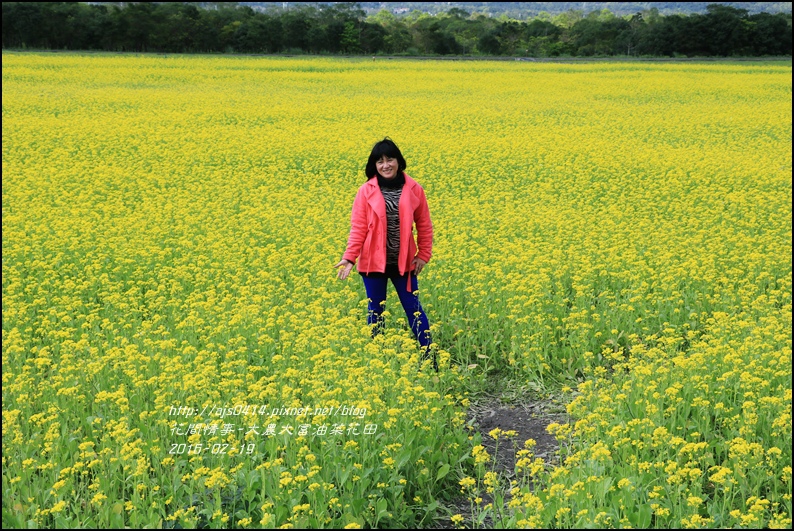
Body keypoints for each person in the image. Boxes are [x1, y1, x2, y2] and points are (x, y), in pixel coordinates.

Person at [334, 138, 437, 371]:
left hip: (405, 263)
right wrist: (350, 257)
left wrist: (424, 255)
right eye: (380, 161)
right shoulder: (366, 190)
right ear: (374, 165)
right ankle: (377, 365)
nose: (385, 165)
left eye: (390, 159)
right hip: (372, 264)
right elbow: (358, 226)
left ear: (399, 162)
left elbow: (424, 224)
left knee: (414, 310)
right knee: (376, 313)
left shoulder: (414, 189)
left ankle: (430, 360)